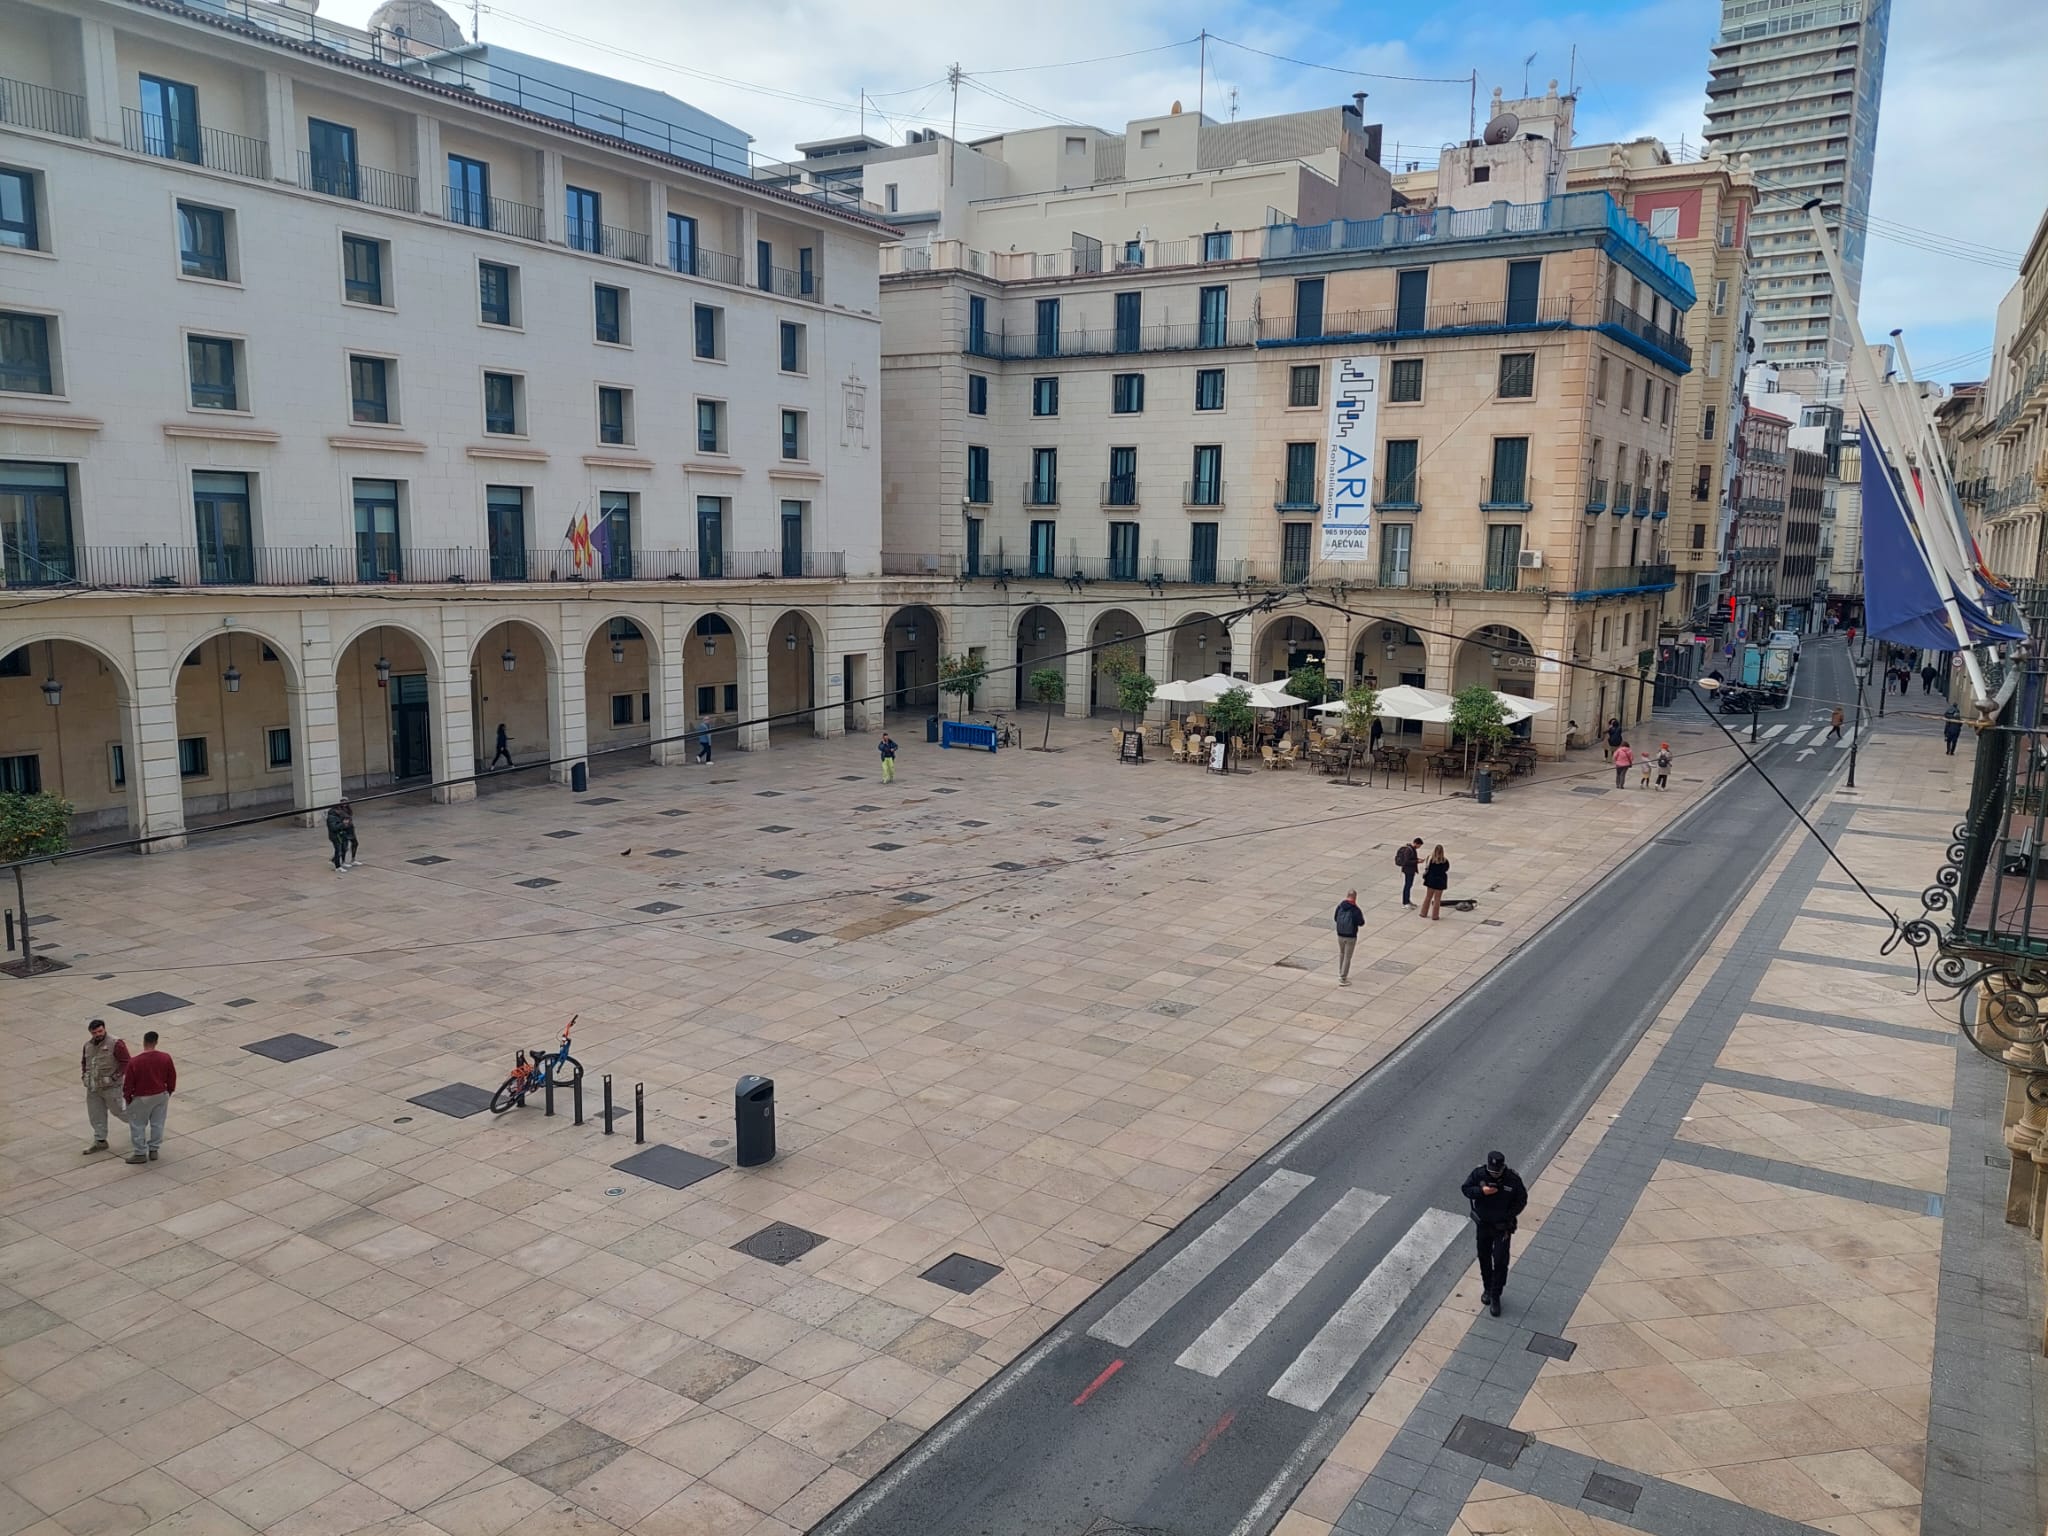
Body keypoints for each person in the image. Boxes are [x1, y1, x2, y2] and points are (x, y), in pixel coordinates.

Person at [1461, 1150, 1529, 1317]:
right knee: (1484, 1257)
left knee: (1499, 1260)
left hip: (1502, 1227)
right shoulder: (1479, 1174)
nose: (1494, 1176)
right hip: (1483, 1225)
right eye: (1492, 1172)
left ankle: (1496, 1294)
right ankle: (1487, 1288)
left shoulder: (1512, 1179)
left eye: (1497, 1172)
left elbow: (1521, 1200)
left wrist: (1507, 1216)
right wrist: (1482, 1192)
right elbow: (1466, 1189)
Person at [122, 1030, 176, 1166]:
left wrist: (128, 1099)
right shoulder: (165, 1057)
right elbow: (172, 1077)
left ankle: (140, 1152)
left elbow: (128, 1084)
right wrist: (168, 1091)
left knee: (138, 1125)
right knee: (158, 1123)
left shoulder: (135, 1062)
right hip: (160, 1094)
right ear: (156, 1042)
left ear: (144, 1042)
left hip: (141, 1097)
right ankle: (154, 1149)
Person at [80, 1019, 129, 1155]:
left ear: (104, 1029)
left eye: (100, 1031)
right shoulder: (87, 1046)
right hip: (93, 1087)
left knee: (119, 1111)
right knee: (95, 1114)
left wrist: (116, 1076)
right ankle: (100, 1141)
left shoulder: (116, 1043)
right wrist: (84, 1075)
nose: (98, 1034)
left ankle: (140, 1122)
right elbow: (85, 1062)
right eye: (94, 1032)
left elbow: (126, 1062)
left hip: (111, 1087)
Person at [1333, 890, 1364, 985]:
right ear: (1355, 897)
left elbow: (1335, 918)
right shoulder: (1355, 909)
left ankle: (1340, 971)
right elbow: (1361, 922)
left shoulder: (1340, 907)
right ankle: (1343, 977)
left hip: (1340, 934)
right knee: (1348, 956)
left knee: (1342, 953)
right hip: (1351, 936)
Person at [1420, 844, 1449, 921]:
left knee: (1428, 897)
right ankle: (1435, 916)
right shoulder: (1445, 861)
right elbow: (1446, 869)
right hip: (1440, 881)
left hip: (1431, 880)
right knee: (1437, 899)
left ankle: (1423, 913)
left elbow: (1428, 869)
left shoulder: (1430, 859)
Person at [324, 800, 355, 872]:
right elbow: (333, 827)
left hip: (342, 835)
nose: (340, 811)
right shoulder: (331, 817)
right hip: (336, 836)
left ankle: (343, 862)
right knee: (338, 851)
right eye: (339, 809)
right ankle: (337, 866)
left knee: (344, 848)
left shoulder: (339, 815)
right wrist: (343, 824)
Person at [1395, 837, 1424, 908]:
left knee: (1409, 885)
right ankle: (1405, 902)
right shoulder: (1409, 850)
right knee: (1407, 886)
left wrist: (1417, 859)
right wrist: (1417, 861)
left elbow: (1411, 858)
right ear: (1416, 843)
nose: (1419, 847)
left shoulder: (1412, 849)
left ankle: (1407, 900)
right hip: (1408, 870)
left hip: (1411, 870)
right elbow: (1407, 861)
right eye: (1419, 845)